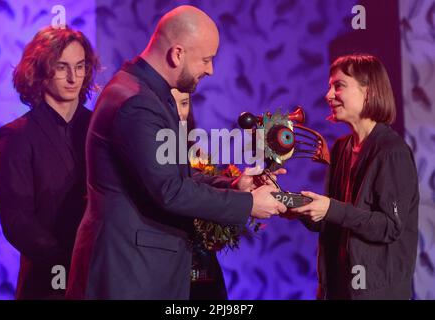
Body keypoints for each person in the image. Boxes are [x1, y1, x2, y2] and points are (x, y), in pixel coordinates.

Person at [66, 5, 286, 300]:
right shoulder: (137, 102)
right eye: (206, 59)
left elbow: (171, 173)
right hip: (129, 273)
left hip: (137, 268)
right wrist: (247, 204)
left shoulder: (142, 93)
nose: (211, 69)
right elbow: (169, 190)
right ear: (177, 54)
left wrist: (235, 185)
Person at [283, 54, 419, 300]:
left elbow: (389, 227)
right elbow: (333, 221)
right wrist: (295, 206)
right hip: (338, 290)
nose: (328, 95)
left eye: (339, 85)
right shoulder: (341, 148)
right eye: (330, 86)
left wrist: (331, 209)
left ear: (369, 91)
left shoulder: (392, 152)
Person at [0, 26, 99, 299]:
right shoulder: (16, 135)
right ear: (40, 70)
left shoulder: (100, 126)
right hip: (47, 280)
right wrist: (66, 260)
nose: (74, 77)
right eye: (62, 67)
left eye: (80, 66)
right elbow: (17, 220)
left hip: (102, 273)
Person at [171, 88, 228, 300]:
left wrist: (220, 230)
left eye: (184, 103)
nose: (179, 112)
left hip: (203, 269)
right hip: (167, 265)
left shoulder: (199, 156)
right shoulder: (147, 153)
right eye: (172, 103)